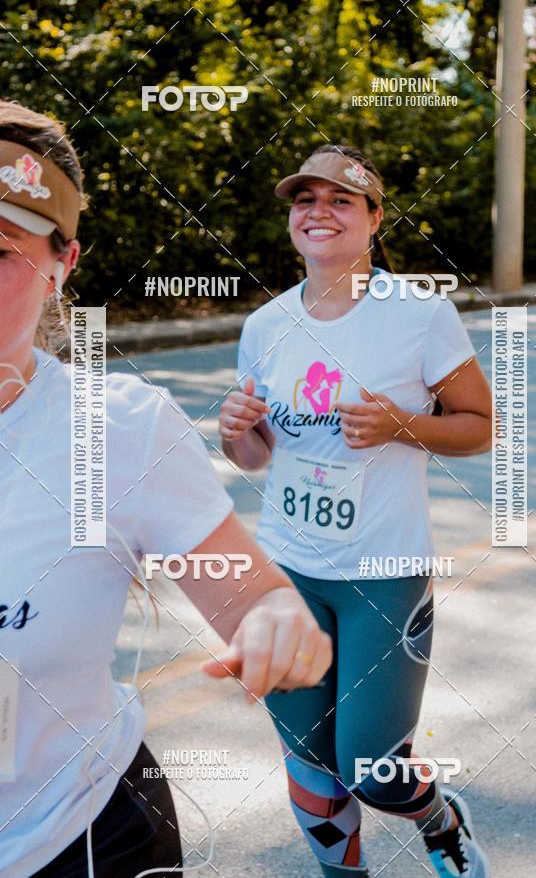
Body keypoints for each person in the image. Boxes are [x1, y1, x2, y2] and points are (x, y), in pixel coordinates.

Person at [0, 101, 332, 878]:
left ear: (62, 267)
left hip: (75, 839)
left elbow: (251, 596)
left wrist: (280, 620)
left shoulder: (115, 431)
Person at [219, 146, 493, 877]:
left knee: (372, 769)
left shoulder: (420, 314)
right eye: (304, 199)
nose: (319, 211)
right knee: (311, 765)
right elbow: (257, 458)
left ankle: (440, 818)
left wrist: (402, 425)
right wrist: (235, 432)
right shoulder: (266, 324)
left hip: (383, 571)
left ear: (373, 219)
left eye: (341, 200)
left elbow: (480, 424)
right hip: (286, 576)